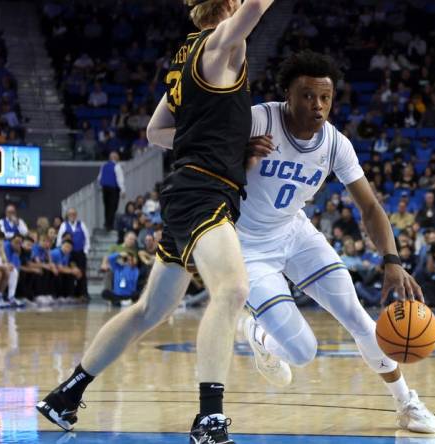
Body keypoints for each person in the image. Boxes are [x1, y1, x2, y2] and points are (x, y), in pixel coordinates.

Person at [38, 2, 275, 442]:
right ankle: (209, 418)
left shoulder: (186, 58)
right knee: (233, 290)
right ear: (227, 7)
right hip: (204, 190)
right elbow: (258, 8)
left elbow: (155, 131)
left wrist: (225, 141)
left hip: (189, 189)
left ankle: (65, 395)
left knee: (151, 309)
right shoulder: (222, 42)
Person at [238, 51, 435, 433]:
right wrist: (235, 155)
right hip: (247, 248)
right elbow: (199, 153)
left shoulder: (335, 144)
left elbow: (370, 206)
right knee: (301, 352)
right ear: (287, 95)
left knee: (359, 317)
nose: (317, 106)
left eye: (325, 98)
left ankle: (406, 404)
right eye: (308, 96)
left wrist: (392, 260)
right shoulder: (257, 119)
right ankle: (256, 333)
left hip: (294, 233)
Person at [56, 208, 90, 298]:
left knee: (82, 273)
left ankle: (83, 294)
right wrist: (61, 251)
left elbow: (87, 238)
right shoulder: (64, 225)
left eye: (74, 214)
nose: (72, 216)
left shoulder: (81, 224)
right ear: (67, 215)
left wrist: (85, 251)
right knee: (71, 273)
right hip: (69, 254)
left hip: (80, 253)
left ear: (76, 215)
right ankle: (71, 293)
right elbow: (60, 239)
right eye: (70, 214)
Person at [98, 151, 126, 231]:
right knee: (113, 207)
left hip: (105, 188)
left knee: (107, 207)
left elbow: (99, 178)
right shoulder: (117, 166)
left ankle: (107, 223)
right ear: (116, 158)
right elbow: (120, 179)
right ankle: (109, 224)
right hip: (113, 189)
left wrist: (101, 186)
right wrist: (123, 190)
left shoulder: (104, 166)